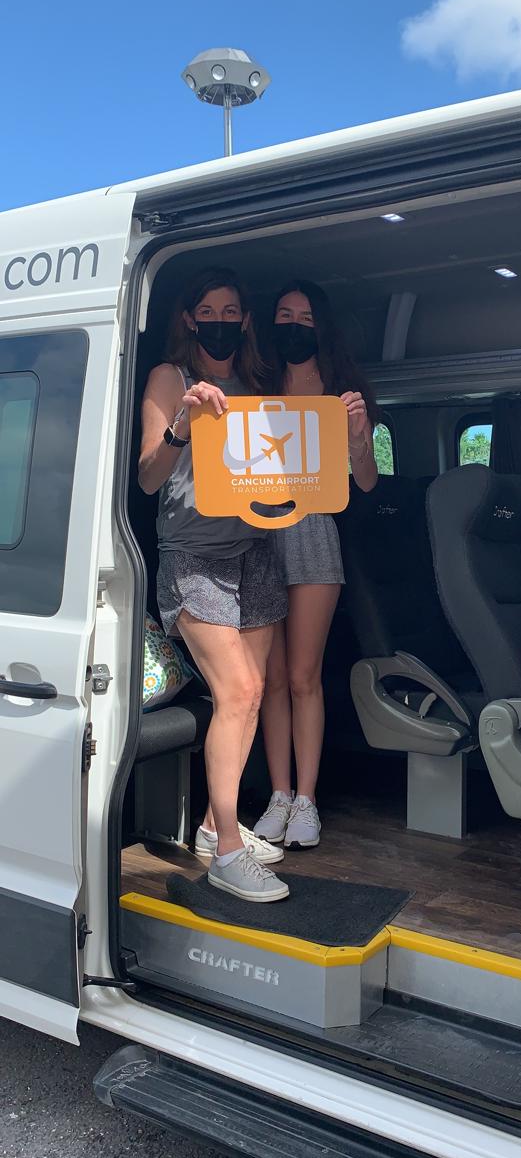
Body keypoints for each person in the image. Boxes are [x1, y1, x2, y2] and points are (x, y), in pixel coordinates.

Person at [138, 268, 289, 903]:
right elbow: (148, 478)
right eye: (208, 310)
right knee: (242, 689)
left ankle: (209, 824)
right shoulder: (171, 378)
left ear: (245, 320)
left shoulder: (256, 384)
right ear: (191, 318)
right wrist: (182, 424)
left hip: (252, 550)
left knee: (248, 701)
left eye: (232, 309)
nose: (221, 319)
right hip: (192, 555)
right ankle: (228, 850)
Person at [253, 280, 378, 851]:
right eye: (284, 314)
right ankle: (277, 795)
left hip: (312, 534)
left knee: (304, 676)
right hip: (255, 534)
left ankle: (307, 800)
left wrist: (357, 437)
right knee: (270, 679)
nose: (294, 325)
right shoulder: (256, 382)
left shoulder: (342, 390)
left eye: (304, 316)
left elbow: (367, 480)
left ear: (320, 326)